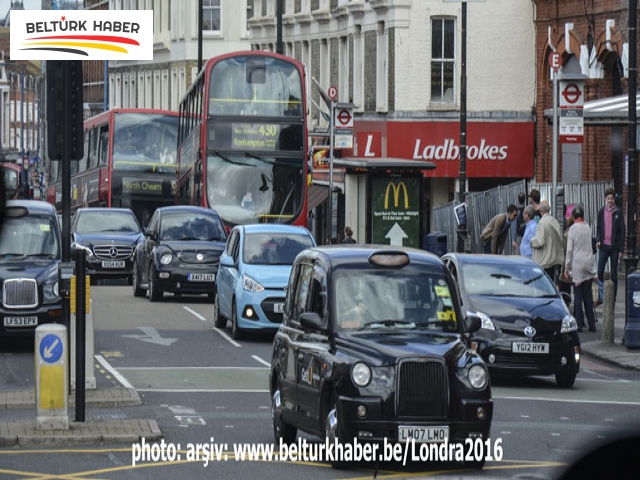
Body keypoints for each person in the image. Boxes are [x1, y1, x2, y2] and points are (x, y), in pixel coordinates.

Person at [565, 206, 597, 332]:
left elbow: (569, 250)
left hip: (577, 263)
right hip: (588, 262)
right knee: (588, 295)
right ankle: (592, 324)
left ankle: (579, 324)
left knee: (578, 296)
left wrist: (567, 266)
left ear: (573, 216)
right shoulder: (587, 227)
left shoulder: (572, 229)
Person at [596, 187, 625, 300]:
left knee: (613, 273)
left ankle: (612, 297)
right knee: (599, 270)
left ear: (614, 200)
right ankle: (600, 294)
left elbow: (622, 231)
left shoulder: (618, 212)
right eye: (608, 199)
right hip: (604, 246)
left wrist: (621, 250)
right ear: (605, 199)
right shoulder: (601, 211)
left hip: (614, 247)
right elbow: (598, 227)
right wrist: (598, 240)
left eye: (612, 199)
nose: (610, 201)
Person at [530, 199, 564, 283]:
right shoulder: (554, 221)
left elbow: (539, 241)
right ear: (549, 209)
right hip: (554, 260)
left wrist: (531, 241)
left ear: (540, 210)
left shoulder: (542, 223)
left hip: (544, 261)